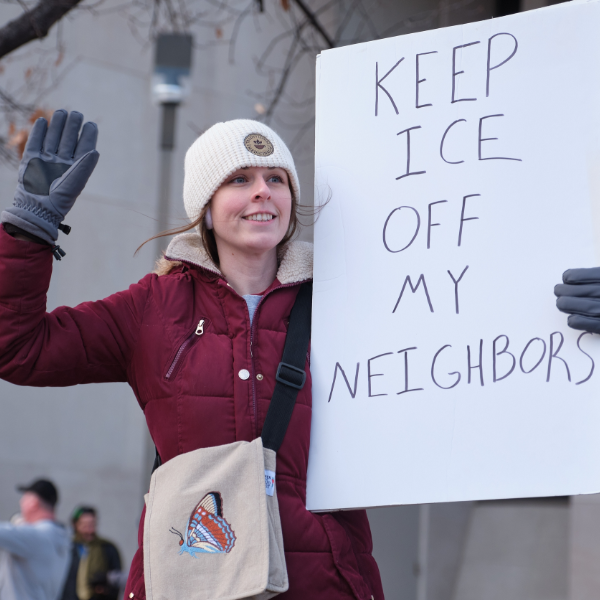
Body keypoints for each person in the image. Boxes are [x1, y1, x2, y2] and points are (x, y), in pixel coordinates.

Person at [0, 110, 384, 599]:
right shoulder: (153, 307)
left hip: (324, 585)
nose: (263, 191)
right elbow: (18, 349)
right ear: (205, 205)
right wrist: (31, 230)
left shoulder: (345, 305)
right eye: (240, 179)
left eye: (276, 179)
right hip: (193, 581)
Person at [0, 479, 70, 600]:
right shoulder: (60, 536)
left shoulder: (37, 536)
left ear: (33, 502)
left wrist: (19, 525)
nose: (21, 502)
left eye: (25, 497)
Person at [61, 507, 122, 600]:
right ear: (76, 525)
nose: (89, 531)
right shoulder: (67, 548)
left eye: (92, 525)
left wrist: (105, 589)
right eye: (85, 526)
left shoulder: (107, 548)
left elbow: (117, 579)